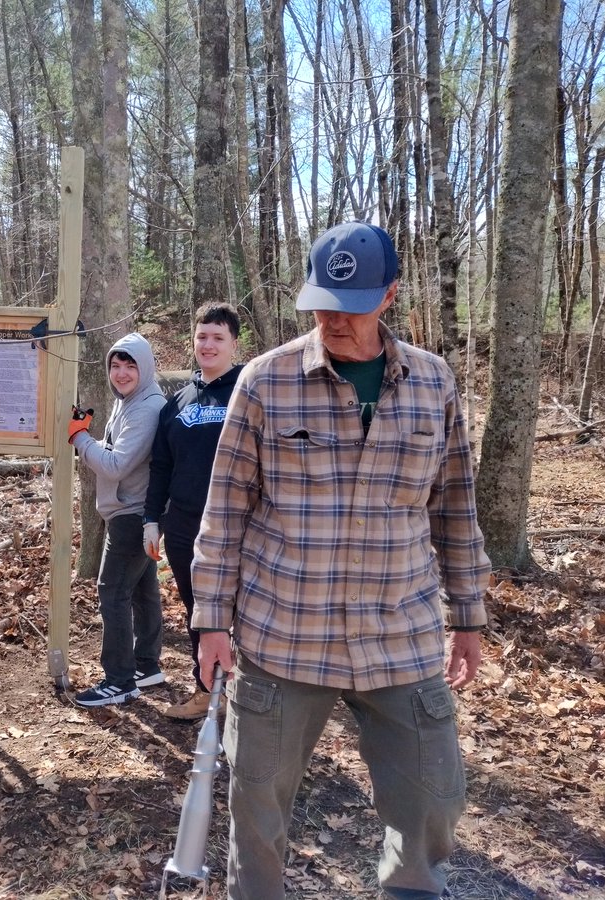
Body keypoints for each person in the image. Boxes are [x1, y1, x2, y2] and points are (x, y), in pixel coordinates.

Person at [191, 222, 490, 900]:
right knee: (257, 810)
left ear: (389, 295)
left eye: (350, 305)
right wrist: (211, 620)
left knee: (433, 801)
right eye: (322, 301)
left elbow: (454, 510)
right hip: (284, 636)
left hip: (401, 635)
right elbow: (226, 511)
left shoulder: (432, 384)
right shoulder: (265, 382)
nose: (332, 319)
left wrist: (468, 616)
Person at [142, 302, 244, 721]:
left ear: (234, 345)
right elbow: (161, 465)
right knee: (197, 608)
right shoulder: (177, 401)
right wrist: (152, 519)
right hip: (184, 524)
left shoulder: (249, 390)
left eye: (218, 337)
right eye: (202, 336)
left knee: (242, 613)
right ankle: (206, 691)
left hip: (241, 525)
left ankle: (247, 696)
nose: (208, 344)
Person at [68, 333, 167, 706]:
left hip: (134, 514)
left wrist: (80, 439)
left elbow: (116, 463)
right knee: (142, 588)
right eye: (115, 365)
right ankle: (146, 665)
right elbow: (116, 452)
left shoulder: (146, 408)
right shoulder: (128, 401)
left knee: (112, 591)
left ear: (145, 367)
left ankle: (119, 680)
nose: (121, 373)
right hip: (135, 511)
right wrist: (92, 438)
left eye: (130, 365)